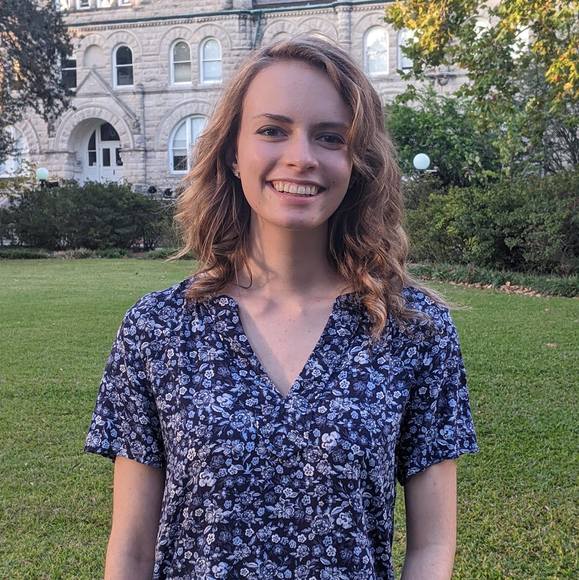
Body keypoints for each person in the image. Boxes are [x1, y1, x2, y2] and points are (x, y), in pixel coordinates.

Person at [85, 36, 479, 580]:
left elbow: (432, 548)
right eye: (273, 130)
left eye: (330, 137)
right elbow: (131, 551)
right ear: (232, 152)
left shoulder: (414, 330)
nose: (301, 157)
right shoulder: (157, 328)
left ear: (357, 161)